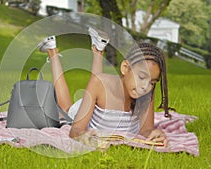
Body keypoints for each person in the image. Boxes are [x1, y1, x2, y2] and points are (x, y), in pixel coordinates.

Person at [37, 27, 171, 146]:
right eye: (141, 77)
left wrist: (154, 134)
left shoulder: (146, 93)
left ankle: (98, 49)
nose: (145, 86)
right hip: (85, 109)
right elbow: (75, 130)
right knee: (66, 109)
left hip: (99, 94)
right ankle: (52, 50)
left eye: (152, 82)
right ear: (125, 68)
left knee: (98, 82)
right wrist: (83, 135)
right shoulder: (100, 84)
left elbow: (145, 130)